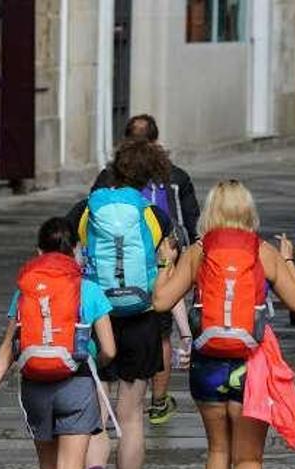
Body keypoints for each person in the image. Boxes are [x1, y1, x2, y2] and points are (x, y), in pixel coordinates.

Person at [153, 179, 295, 469]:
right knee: (249, 454)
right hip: (249, 367)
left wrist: (166, 262)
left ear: (211, 211)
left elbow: (161, 301)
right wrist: (287, 258)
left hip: (207, 365)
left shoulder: (199, 251)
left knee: (218, 449)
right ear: (247, 211)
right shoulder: (262, 251)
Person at [0, 217, 118, 469]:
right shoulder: (90, 290)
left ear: (39, 250)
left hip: (35, 387)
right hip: (78, 383)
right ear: (76, 251)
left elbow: (8, 346)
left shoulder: (25, 290)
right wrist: (96, 364)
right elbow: (110, 349)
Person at [66, 137, 173, 469]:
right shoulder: (154, 216)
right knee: (130, 419)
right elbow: (165, 267)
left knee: (92, 418)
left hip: (95, 320)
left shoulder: (85, 211)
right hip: (141, 320)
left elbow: (69, 261)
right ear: (148, 178)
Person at [91, 114, 199, 426]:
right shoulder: (175, 176)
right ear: (155, 139)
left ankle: (101, 414)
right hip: (153, 278)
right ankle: (159, 402)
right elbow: (191, 224)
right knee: (162, 335)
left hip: (106, 286)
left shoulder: (106, 180)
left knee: (105, 343)